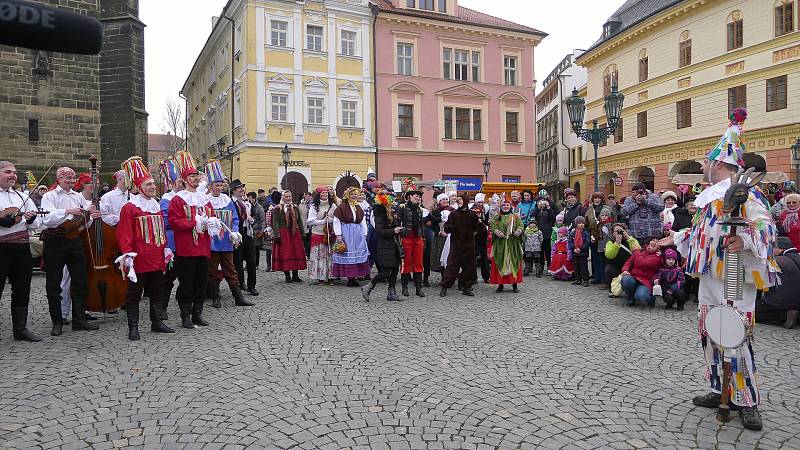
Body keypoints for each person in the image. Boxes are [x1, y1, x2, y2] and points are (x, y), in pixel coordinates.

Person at [663, 108, 777, 431]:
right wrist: (671, 238)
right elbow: (699, 234)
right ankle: (720, 388)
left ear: (720, 165)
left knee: (737, 336)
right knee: (712, 333)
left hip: (737, 279)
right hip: (710, 279)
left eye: (707, 162)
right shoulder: (707, 199)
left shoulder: (749, 194)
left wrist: (746, 241)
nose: (703, 166)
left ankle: (747, 399)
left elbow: (767, 229)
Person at [116, 157, 175, 339]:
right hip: (138, 258)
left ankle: (156, 322)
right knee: (134, 293)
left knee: (156, 290)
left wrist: (165, 248)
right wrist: (127, 255)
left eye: (152, 184)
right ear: (139, 187)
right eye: (148, 184)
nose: (152, 187)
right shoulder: (130, 207)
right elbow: (124, 233)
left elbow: (160, 230)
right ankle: (133, 327)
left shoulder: (155, 204)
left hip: (156, 257)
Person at [40, 167, 102, 336]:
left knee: (80, 281)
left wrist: (89, 217)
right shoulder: (49, 196)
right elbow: (46, 219)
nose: (71, 180)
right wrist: (67, 211)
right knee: (54, 283)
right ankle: (57, 321)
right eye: (67, 177)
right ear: (59, 178)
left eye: (73, 178)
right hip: (56, 241)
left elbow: (83, 224)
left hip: (75, 240)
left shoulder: (77, 197)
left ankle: (79, 319)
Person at [168, 151, 218, 329]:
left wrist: (212, 221)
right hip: (186, 248)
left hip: (203, 247)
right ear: (184, 179)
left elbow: (212, 215)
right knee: (186, 282)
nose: (196, 178)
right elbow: (174, 222)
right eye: (192, 175)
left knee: (201, 282)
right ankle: (185, 315)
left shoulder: (204, 198)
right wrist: (192, 222)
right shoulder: (178, 199)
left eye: (197, 175)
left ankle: (197, 313)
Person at [0, 161, 43, 341]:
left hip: (21, 248)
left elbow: (37, 223)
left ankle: (20, 329)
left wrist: (31, 219)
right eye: (8, 172)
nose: (13, 175)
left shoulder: (21, 196)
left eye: (15, 173)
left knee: (22, 288)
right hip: (1, 249)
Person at [204, 164, 247, 309]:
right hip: (212, 241)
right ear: (211, 186)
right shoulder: (205, 200)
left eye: (221, 185)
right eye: (216, 185)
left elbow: (234, 218)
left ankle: (238, 297)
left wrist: (235, 232)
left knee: (230, 268)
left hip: (227, 241)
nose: (219, 188)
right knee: (213, 269)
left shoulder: (227, 200)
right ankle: (215, 297)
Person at [361, 190, 403, 301]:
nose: (392, 204)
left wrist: (398, 226)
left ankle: (391, 292)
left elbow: (394, 226)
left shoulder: (390, 214)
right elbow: (380, 231)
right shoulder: (380, 215)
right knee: (385, 272)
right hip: (384, 245)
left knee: (394, 269)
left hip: (392, 245)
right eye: (390, 202)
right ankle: (368, 287)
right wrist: (394, 230)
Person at [439, 192, 482, 297]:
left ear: (466, 201)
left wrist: (475, 232)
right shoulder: (453, 214)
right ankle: (445, 287)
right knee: (451, 267)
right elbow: (447, 227)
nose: (458, 201)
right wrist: (451, 227)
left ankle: (467, 287)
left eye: (460, 199)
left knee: (469, 268)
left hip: (468, 245)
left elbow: (478, 228)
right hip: (456, 245)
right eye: (457, 199)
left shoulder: (472, 214)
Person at [159, 158, 183, 322]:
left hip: (187, 244)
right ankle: (162, 307)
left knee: (185, 277)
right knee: (167, 278)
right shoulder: (166, 199)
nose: (183, 184)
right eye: (180, 181)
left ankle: (185, 308)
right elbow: (166, 222)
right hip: (172, 243)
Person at [756, 237, 799, 328]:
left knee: (753, 312)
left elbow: (762, 283)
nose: (770, 251)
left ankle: (783, 315)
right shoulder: (796, 257)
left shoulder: (778, 261)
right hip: (797, 302)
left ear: (781, 249)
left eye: (772, 248)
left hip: (783, 301)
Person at [332, 187, 370, 286]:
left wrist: (364, 233)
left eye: (355, 194)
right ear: (347, 195)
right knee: (348, 253)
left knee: (356, 254)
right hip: (346, 232)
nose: (353, 196)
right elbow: (336, 222)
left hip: (357, 233)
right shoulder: (341, 207)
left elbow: (363, 221)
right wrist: (338, 235)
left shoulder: (358, 207)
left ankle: (354, 276)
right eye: (352, 194)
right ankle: (350, 278)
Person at [271, 190, 307, 283]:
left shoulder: (295, 207)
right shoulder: (277, 208)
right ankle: (287, 276)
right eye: (286, 197)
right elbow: (275, 222)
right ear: (282, 197)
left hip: (295, 232)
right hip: (283, 233)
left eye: (290, 196)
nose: (288, 198)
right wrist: (277, 235)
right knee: (285, 253)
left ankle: (295, 275)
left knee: (296, 252)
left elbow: (299, 221)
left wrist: (302, 233)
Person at [231, 180, 258, 298]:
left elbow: (253, 215)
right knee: (238, 262)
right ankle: (240, 284)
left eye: (242, 188)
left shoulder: (247, 202)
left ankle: (252, 286)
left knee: (252, 262)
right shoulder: (230, 202)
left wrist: (251, 219)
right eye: (239, 188)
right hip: (238, 234)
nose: (242, 190)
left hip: (248, 234)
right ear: (233, 191)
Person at [489, 198, 524, 293]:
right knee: (499, 263)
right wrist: (497, 232)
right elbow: (493, 226)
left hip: (513, 244)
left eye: (507, 205)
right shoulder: (496, 217)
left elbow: (521, 225)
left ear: (510, 206)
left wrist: (518, 231)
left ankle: (514, 284)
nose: (505, 207)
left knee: (513, 263)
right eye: (504, 205)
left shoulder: (515, 216)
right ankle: (500, 285)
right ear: (501, 206)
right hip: (501, 244)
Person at [398, 187, 426, 297]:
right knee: (406, 262)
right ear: (410, 197)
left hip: (417, 238)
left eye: (419, 196)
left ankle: (418, 288)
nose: (418, 198)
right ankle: (405, 288)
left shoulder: (420, 209)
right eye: (416, 196)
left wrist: (423, 237)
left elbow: (421, 225)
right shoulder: (402, 207)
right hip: (406, 238)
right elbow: (397, 221)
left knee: (418, 263)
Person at [306, 187, 338, 284]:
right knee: (320, 256)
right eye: (322, 193)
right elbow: (310, 221)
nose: (324, 195)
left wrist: (331, 220)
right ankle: (320, 277)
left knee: (331, 256)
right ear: (319, 195)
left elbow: (337, 218)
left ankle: (332, 276)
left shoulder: (333, 205)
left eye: (326, 193)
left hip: (330, 233)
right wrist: (322, 221)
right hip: (319, 234)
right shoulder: (314, 206)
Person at [620, 237, 663, 307]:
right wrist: (625, 270)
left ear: (658, 248)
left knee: (641, 297)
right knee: (626, 279)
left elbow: (664, 264)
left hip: (646, 281)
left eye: (655, 245)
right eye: (652, 242)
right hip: (634, 277)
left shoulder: (659, 257)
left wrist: (663, 255)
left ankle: (651, 298)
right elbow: (628, 263)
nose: (653, 244)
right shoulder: (638, 251)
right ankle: (630, 297)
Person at [604, 223, 640, 297]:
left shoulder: (631, 239)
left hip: (630, 266)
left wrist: (629, 239)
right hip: (616, 266)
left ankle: (632, 289)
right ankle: (613, 289)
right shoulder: (610, 242)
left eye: (620, 230)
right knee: (609, 269)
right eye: (616, 231)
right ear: (613, 233)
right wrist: (617, 244)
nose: (618, 233)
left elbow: (638, 251)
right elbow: (609, 255)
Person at [532, 194, 558, 274]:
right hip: (538, 233)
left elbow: (553, 218)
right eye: (539, 201)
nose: (542, 203)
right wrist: (538, 208)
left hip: (547, 233)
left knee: (548, 251)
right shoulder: (537, 209)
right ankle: (541, 267)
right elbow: (532, 215)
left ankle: (550, 266)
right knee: (540, 251)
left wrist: (548, 208)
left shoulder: (549, 209)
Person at [428, 193, 452, 276]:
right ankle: (443, 275)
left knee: (450, 256)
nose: (445, 201)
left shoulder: (452, 210)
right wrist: (439, 232)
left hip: (450, 236)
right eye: (443, 199)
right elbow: (433, 225)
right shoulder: (435, 212)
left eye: (446, 199)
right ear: (439, 201)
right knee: (441, 256)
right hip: (440, 237)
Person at [585, 192, 606, 285]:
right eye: (595, 198)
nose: (597, 200)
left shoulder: (606, 209)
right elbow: (586, 223)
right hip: (593, 236)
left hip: (603, 237)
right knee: (594, 257)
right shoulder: (589, 210)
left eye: (599, 198)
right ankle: (596, 276)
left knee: (603, 258)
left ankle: (604, 277)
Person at [470, 193, 491, 283]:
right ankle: (473, 277)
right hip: (474, 234)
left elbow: (486, 221)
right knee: (473, 256)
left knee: (484, 255)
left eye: (482, 202)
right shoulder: (472, 209)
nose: (481, 204)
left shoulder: (485, 208)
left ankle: (486, 276)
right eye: (479, 202)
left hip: (483, 234)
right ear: (475, 201)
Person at [569, 216, 591, 287]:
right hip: (575, 253)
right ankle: (578, 279)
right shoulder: (573, 232)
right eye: (579, 223)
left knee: (583, 267)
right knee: (576, 266)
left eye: (582, 223)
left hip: (583, 253)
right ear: (576, 224)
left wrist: (581, 249)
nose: (581, 225)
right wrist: (573, 248)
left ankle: (585, 280)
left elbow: (587, 242)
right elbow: (570, 241)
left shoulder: (586, 232)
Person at [248, 191, 265, 270]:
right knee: (249, 248)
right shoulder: (248, 206)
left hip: (256, 230)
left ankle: (256, 264)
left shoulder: (259, 208)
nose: (249, 200)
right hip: (249, 230)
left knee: (256, 248)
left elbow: (262, 220)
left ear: (254, 199)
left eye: (250, 198)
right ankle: (250, 263)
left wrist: (262, 230)